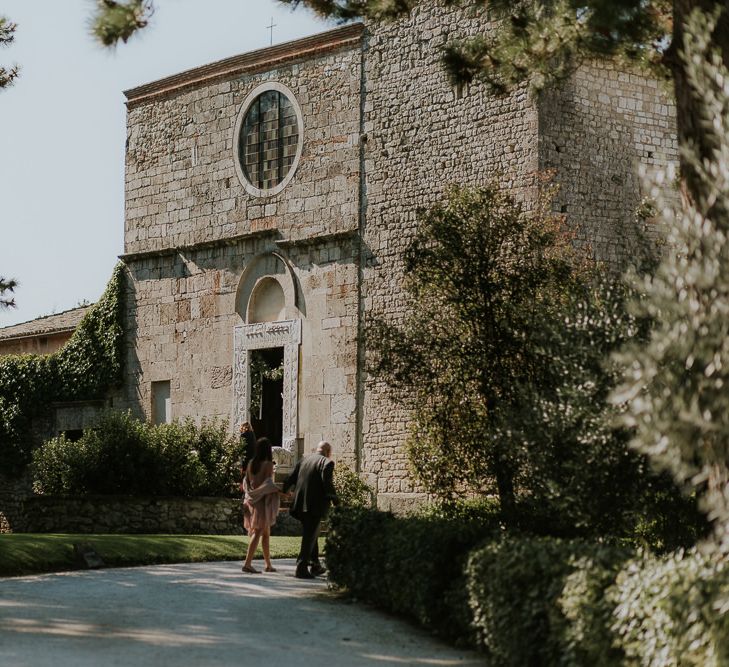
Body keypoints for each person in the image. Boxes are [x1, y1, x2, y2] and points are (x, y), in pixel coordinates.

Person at [283, 440, 338, 579]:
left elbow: (290, 478)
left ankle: (315, 565)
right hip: (314, 505)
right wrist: (336, 502)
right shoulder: (327, 462)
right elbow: (327, 484)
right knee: (310, 534)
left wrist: (284, 490)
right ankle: (301, 567)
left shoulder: (304, 460)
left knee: (311, 532)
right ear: (327, 452)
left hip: (299, 504)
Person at [241, 437, 282, 574]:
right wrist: (280, 491)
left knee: (266, 534)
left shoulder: (251, 463)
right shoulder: (268, 464)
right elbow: (269, 484)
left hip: (251, 501)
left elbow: (246, 482)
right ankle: (247, 564)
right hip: (262, 503)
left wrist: (251, 493)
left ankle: (268, 565)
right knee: (258, 532)